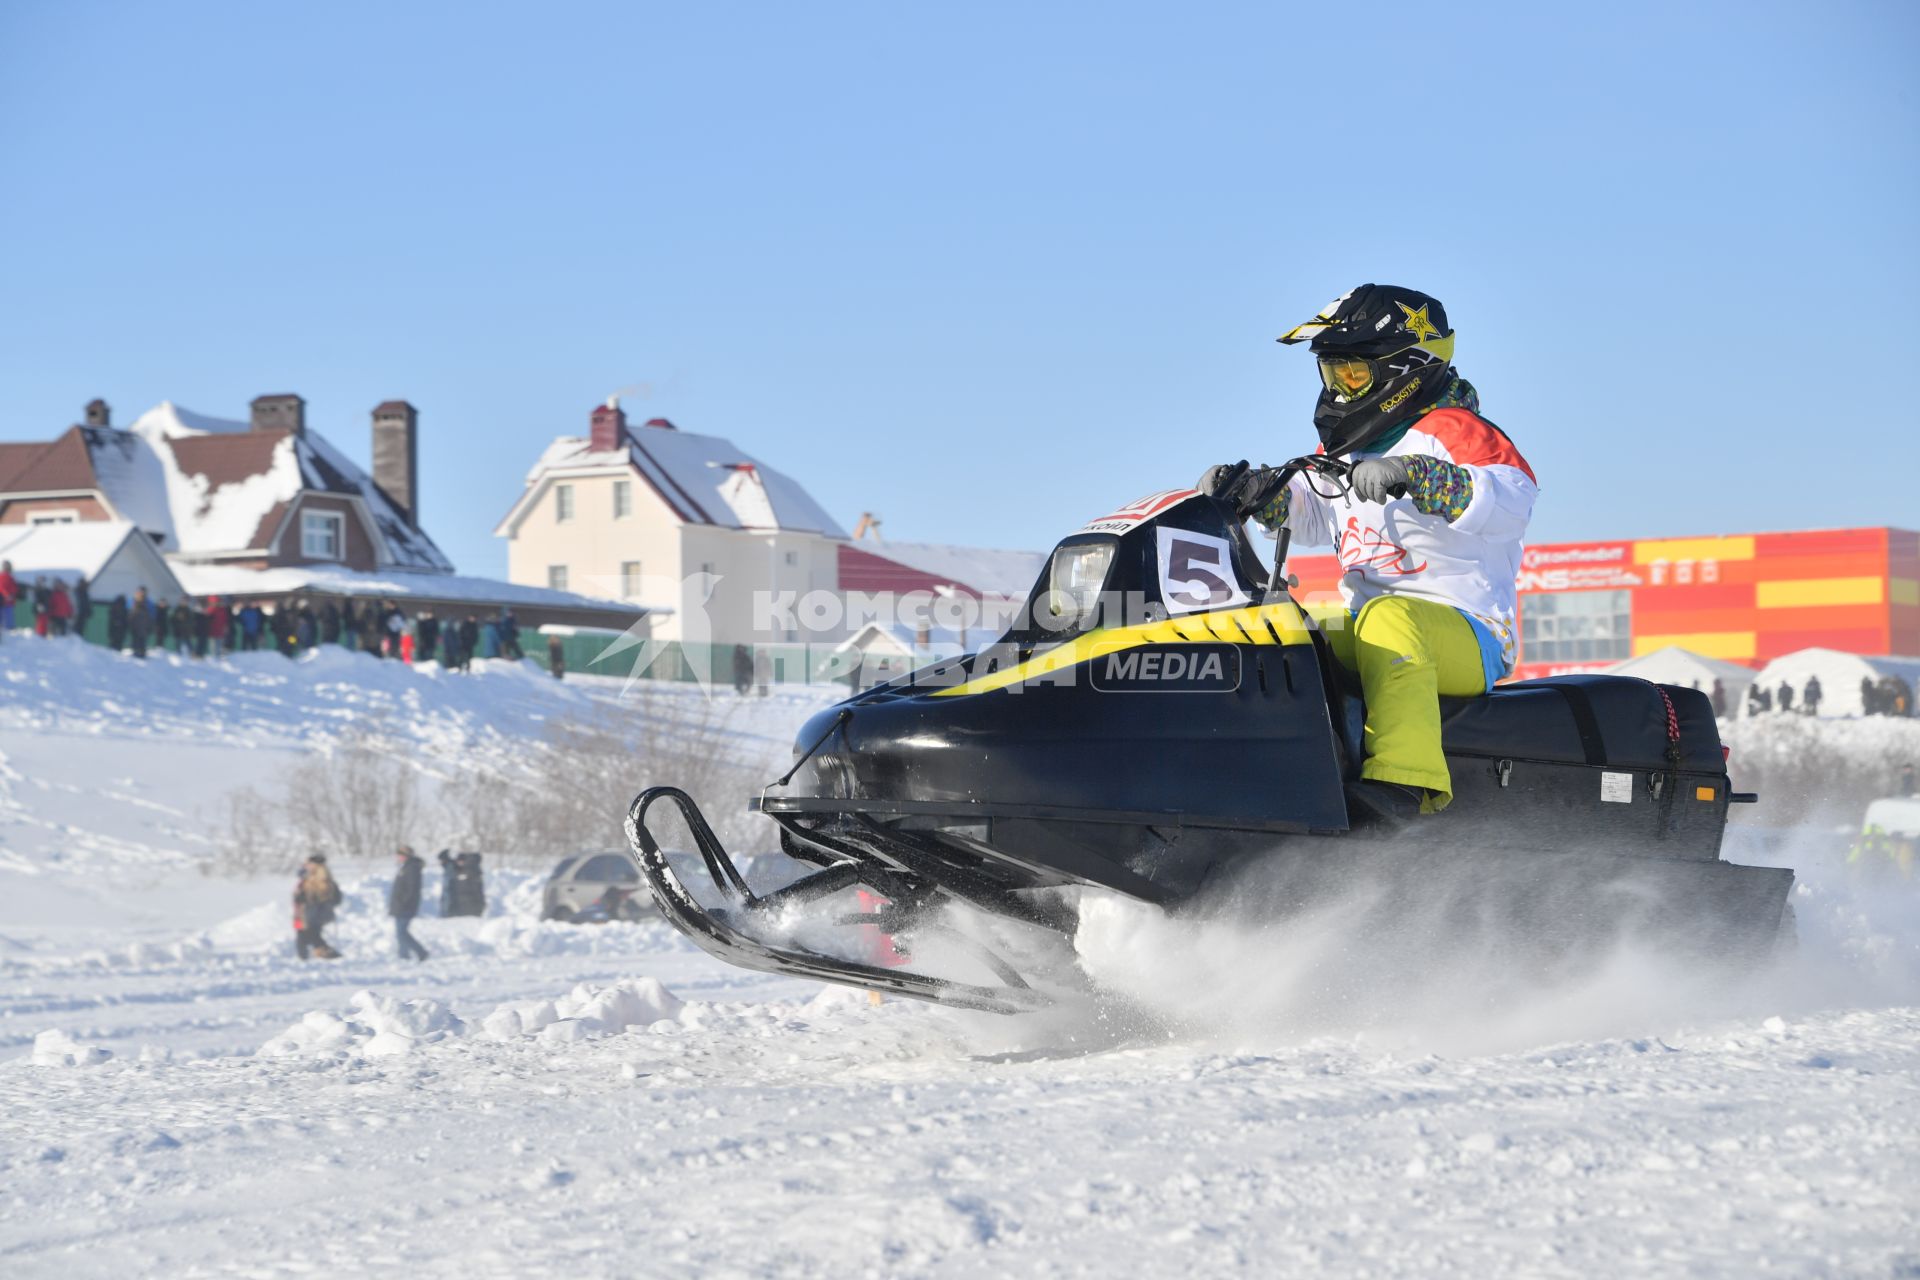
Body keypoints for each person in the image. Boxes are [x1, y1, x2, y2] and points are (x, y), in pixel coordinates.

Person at [1201, 285, 1536, 819]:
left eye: (1353, 375)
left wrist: (1419, 476)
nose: (1339, 390)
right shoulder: (1346, 446)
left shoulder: (1454, 430)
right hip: (1370, 623)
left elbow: (1513, 495)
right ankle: (1266, 777)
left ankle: (1404, 787)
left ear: (1405, 370)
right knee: (1285, 633)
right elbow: (1312, 511)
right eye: (1332, 375)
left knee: (1389, 619)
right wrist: (1260, 495)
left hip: (1470, 631)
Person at [293, 854, 343, 960]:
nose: (305, 865)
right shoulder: (307, 877)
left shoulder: (321, 879)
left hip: (315, 913)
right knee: (306, 934)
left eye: (308, 863)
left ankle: (316, 955)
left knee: (308, 934)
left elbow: (329, 897)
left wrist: (303, 898)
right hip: (305, 913)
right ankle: (318, 954)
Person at [389, 845, 429, 962]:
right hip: (400, 906)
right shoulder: (405, 867)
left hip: (405, 907)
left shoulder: (412, 868)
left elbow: (411, 889)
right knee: (400, 932)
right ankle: (403, 955)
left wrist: (403, 903)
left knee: (402, 932)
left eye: (400, 855)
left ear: (405, 856)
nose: (397, 857)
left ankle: (421, 952)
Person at [129, 586, 153, 658]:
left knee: (142, 641)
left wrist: (149, 627)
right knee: (136, 641)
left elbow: (151, 616)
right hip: (136, 626)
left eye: (142, 592)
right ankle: (136, 652)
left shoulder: (148, 603)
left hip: (143, 626)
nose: (141, 594)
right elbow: (131, 615)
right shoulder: (133, 602)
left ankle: (142, 654)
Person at [0, 559, 15, 636]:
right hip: (3, 600)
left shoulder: (10, 576)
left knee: (9, 615)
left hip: (9, 601)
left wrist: (12, 595)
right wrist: (7, 595)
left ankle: (9, 629)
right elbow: (2, 587)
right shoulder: (2, 576)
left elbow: (13, 588)